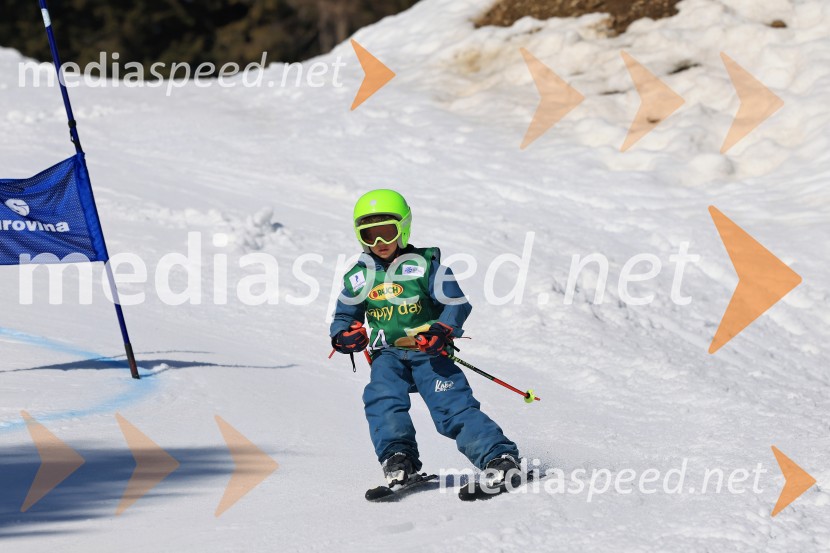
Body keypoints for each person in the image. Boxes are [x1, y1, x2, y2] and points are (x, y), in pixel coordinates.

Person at [329, 188, 520, 488]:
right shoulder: (359, 276)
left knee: (451, 406)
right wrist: (343, 336)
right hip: (387, 355)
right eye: (370, 236)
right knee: (382, 399)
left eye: (387, 233)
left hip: (428, 351)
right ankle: (398, 459)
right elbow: (344, 316)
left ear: (403, 228)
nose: (379, 243)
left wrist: (441, 330)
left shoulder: (425, 266)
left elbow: (456, 302)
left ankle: (498, 457)